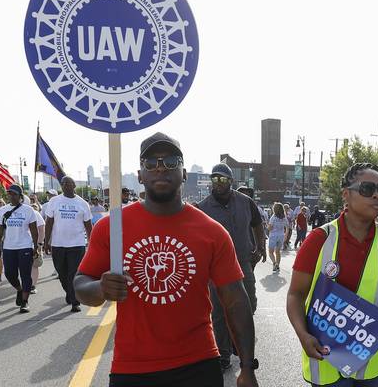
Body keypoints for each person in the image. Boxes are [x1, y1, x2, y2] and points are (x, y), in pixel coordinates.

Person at [73, 132, 257, 387]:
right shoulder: (111, 227)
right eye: (151, 163)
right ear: (140, 175)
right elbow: (81, 284)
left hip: (199, 364)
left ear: (183, 173)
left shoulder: (212, 232)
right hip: (133, 369)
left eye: (171, 161)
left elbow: (235, 301)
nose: (160, 168)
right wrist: (100, 288)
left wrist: (248, 367)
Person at [286, 163, 378, 386]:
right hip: (326, 356)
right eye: (367, 189)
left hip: (374, 358)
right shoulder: (319, 239)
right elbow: (295, 295)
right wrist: (302, 334)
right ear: (346, 194)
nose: (376, 195)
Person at [195, 163, 266, 370]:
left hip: (243, 263)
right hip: (215, 268)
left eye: (223, 179)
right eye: (215, 179)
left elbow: (257, 224)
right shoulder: (203, 207)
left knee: (249, 304)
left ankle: (237, 341)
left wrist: (260, 246)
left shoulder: (246, 202)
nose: (218, 183)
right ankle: (223, 354)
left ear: (231, 181)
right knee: (218, 312)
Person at [45, 176, 94, 312]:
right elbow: (49, 222)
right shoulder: (54, 201)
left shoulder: (82, 203)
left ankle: (75, 301)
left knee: (73, 273)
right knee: (61, 272)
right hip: (58, 244)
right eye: (63, 183)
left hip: (77, 244)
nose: (66, 185)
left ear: (74, 186)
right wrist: (46, 242)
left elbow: (88, 225)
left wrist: (92, 242)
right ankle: (69, 292)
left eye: (69, 183)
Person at [0, 185, 40, 313]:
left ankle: (25, 302)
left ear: (20, 196)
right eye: (9, 194)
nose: (11, 196)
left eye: (14, 194)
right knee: (9, 274)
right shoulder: (3, 210)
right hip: (9, 247)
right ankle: (20, 290)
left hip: (24, 246)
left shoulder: (28, 210)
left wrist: (36, 246)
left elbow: (34, 230)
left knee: (25, 274)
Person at [267, 203, 291, 272]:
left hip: (273, 236)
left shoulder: (273, 217)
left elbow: (270, 228)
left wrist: (267, 226)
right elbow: (287, 227)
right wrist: (286, 235)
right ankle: (278, 265)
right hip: (281, 236)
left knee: (270, 252)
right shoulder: (284, 217)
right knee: (278, 252)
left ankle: (274, 263)